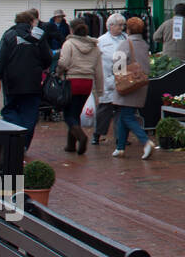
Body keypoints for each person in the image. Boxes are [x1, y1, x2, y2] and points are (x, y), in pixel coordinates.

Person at [0, 10, 53, 150]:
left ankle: (16, 138)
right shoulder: (38, 37)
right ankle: (23, 143)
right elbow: (48, 59)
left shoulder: (9, 36)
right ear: (30, 22)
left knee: (10, 110)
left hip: (12, 82)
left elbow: (0, 62)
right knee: (30, 113)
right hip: (33, 82)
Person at [57, 18, 104, 155]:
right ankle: (71, 145)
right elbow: (98, 69)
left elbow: (64, 63)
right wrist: (100, 90)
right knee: (75, 112)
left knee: (68, 115)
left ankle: (81, 137)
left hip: (72, 81)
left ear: (71, 29)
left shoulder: (69, 44)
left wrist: (58, 72)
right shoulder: (94, 46)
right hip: (87, 83)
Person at [112, 16, 154, 159]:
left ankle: (146, 141)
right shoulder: (144, 44)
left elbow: (117, 66)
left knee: (127, 116)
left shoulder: (125, 44)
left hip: (128, 84)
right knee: (126, 114)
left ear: (128, 29)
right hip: (140, 84)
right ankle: (120, 147)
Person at [92, 13, 127, 146]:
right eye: (119, 25)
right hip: (106, 78)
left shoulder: (126, 38)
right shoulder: (101, 41)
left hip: (122, 78)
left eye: (123, 25)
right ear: (110, 26)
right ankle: (97, 134)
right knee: (104, 109)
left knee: (120, 109)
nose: (121, 28)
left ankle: (120, 137)